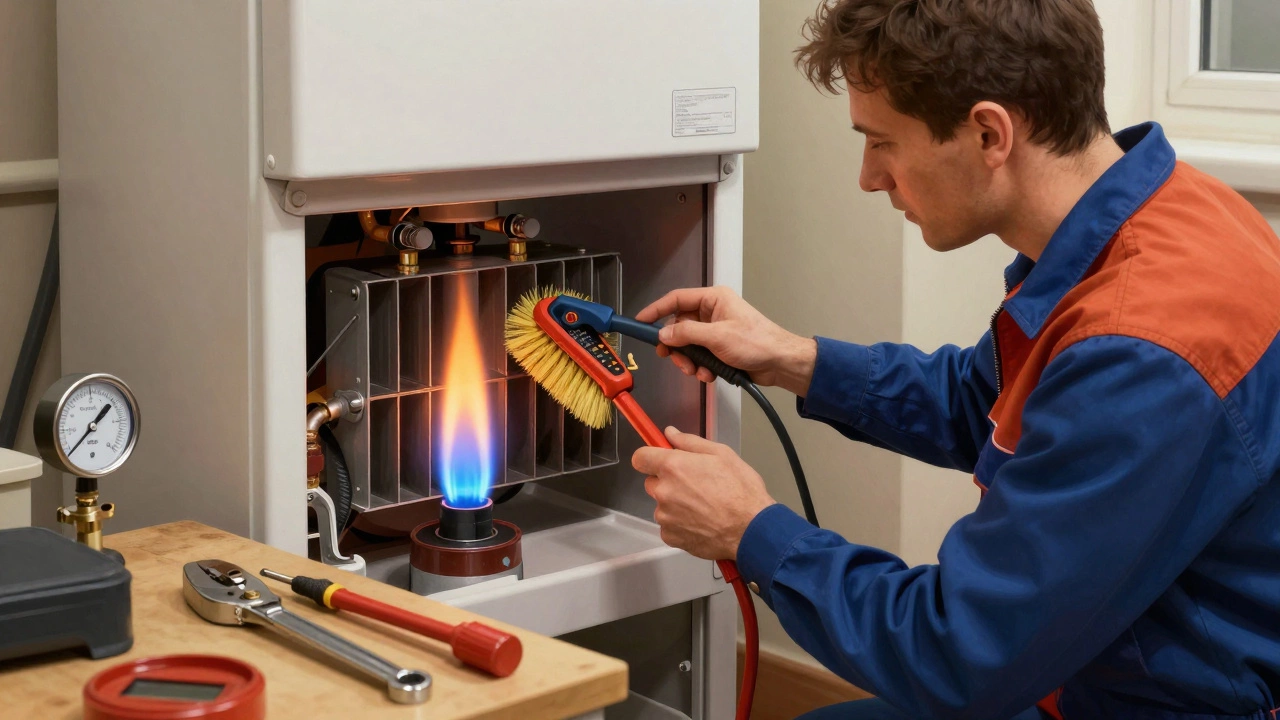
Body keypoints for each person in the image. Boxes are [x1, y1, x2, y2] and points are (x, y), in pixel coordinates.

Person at [630, 1, 1280, 718]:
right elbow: (995, 407)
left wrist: (751, 530)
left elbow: (961, 652)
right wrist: (798, 360)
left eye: (882, 142)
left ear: (988, 132)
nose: (869, 178)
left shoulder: (1141, 349)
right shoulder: (1157, 214)